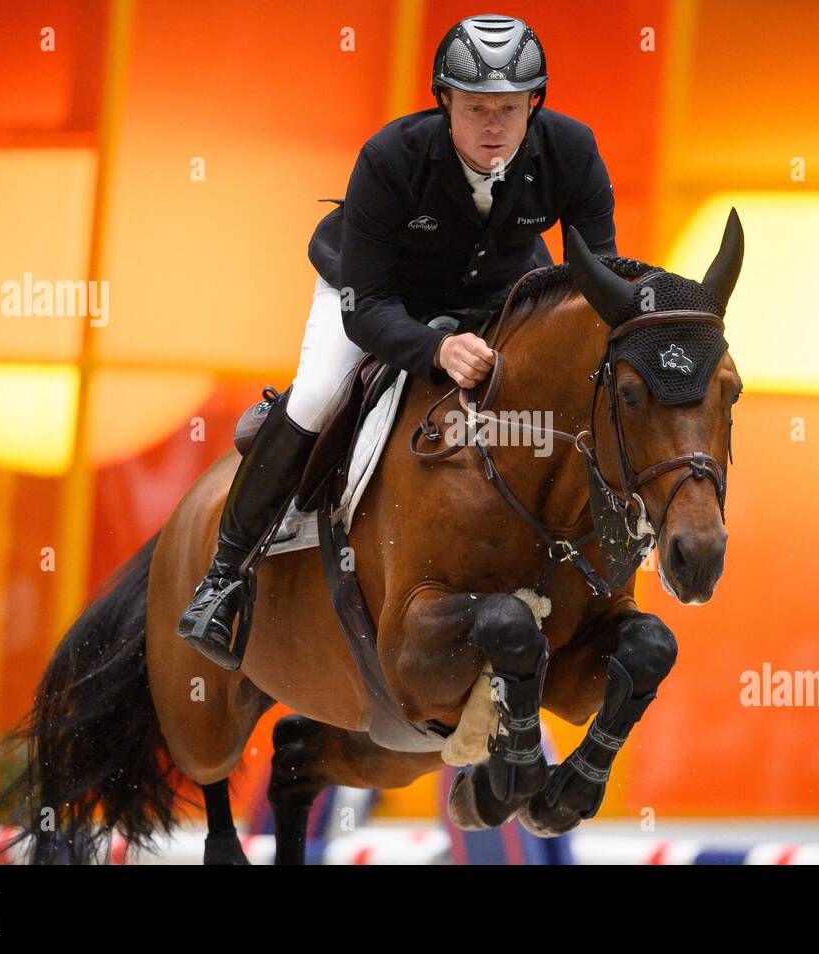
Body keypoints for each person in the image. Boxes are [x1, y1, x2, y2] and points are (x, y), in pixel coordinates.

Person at [179, 14, 619, 669]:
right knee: (322, 392)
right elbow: (367, 308)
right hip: (373, 293)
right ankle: (223, 577)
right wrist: (434, 350)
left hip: (494, 294)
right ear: (443, 102)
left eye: (509, 108)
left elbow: (600, 281)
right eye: (474, 109)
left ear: (536, 103)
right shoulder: (391, 158)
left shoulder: (573, 152)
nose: (493, 127)